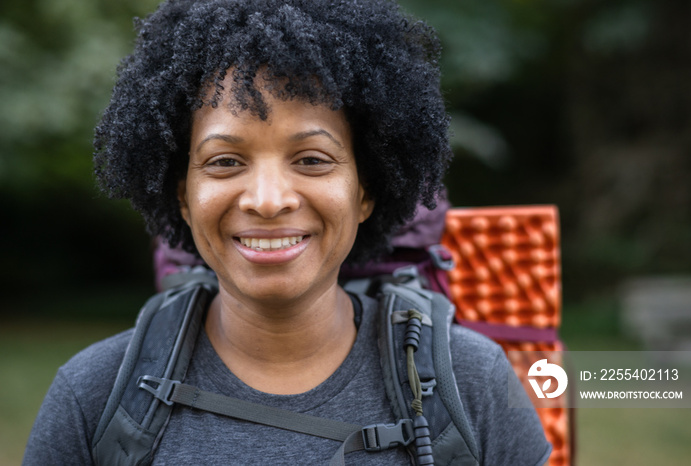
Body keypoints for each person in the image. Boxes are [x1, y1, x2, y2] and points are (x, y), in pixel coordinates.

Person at [23, 0, 552, 464]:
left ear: (365, 190)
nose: (269, 200)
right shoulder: (90, 396)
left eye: (312, 159)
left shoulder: (472, 382)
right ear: (182, 194)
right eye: (226, 161)